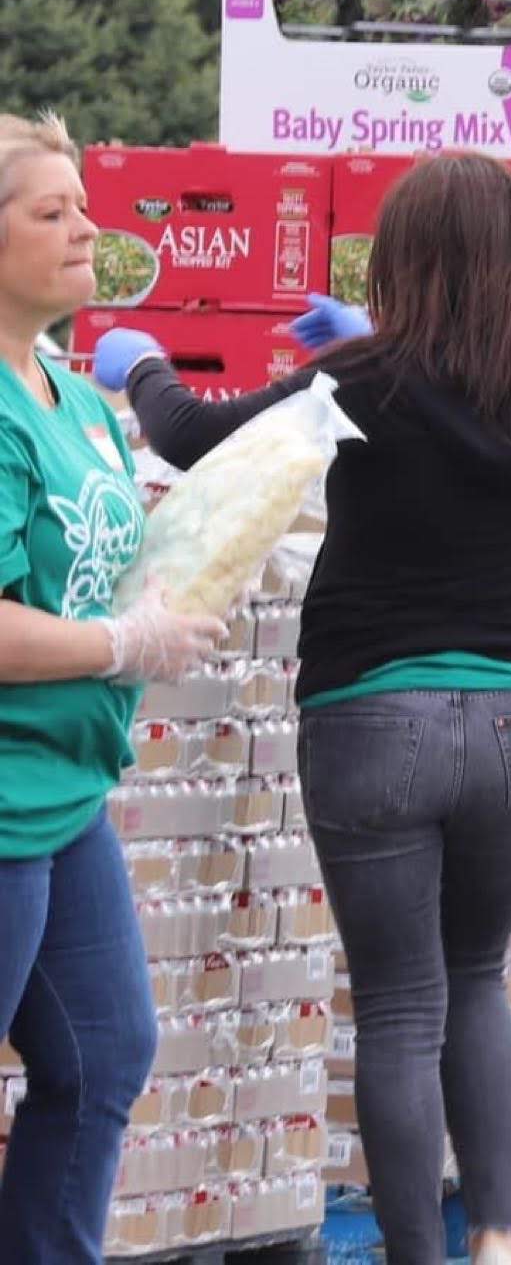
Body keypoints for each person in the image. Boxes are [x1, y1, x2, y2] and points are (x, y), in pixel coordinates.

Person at [95, 152, 511, 1265]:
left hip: (377, 716)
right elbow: (472, 425)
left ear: (399, 257)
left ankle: (419, 1255)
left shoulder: (362, 385)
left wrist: (139, 363)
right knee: (478, 981)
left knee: (401, 1007)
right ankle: (501, 1246)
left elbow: (189, 437)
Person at [0, 113, 221, 1264]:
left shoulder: (80, 403)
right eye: (52, 213)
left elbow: (111, 549)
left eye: (84, 204)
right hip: (2, 799)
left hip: (68, 793)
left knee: (104, 1056)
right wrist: (117, 643)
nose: (90, 229)